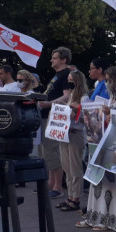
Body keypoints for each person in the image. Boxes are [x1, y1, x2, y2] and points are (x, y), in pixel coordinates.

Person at [78, 66, 116, 231]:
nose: (108, 83)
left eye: (110, 80)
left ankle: (109, 219)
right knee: (97, 180)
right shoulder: (112, 98)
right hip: (103, 142)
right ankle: (94, 215)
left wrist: (111, 113)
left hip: (115, 146)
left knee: (111, 183)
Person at [37, 47, 72, 199]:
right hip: (48, 116)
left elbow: (67, 96)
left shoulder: (66, 74)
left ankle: (58, 187)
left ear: (64, 60)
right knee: (48, 152)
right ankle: (51, 184)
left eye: (55, 58)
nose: (52, 60)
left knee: (53, 150)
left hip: (56, 117)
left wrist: (49, 103)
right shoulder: (58, 75)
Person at [55, 69, 88, 213]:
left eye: (71, 80)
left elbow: (87, 116)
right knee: (66, 167)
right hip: (65, 133)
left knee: (75, 168)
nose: (69, 83)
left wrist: (76, 108)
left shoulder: (84, 97)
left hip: (75, 133)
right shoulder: (73, 95)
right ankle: (70, 196)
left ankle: (76, 199)